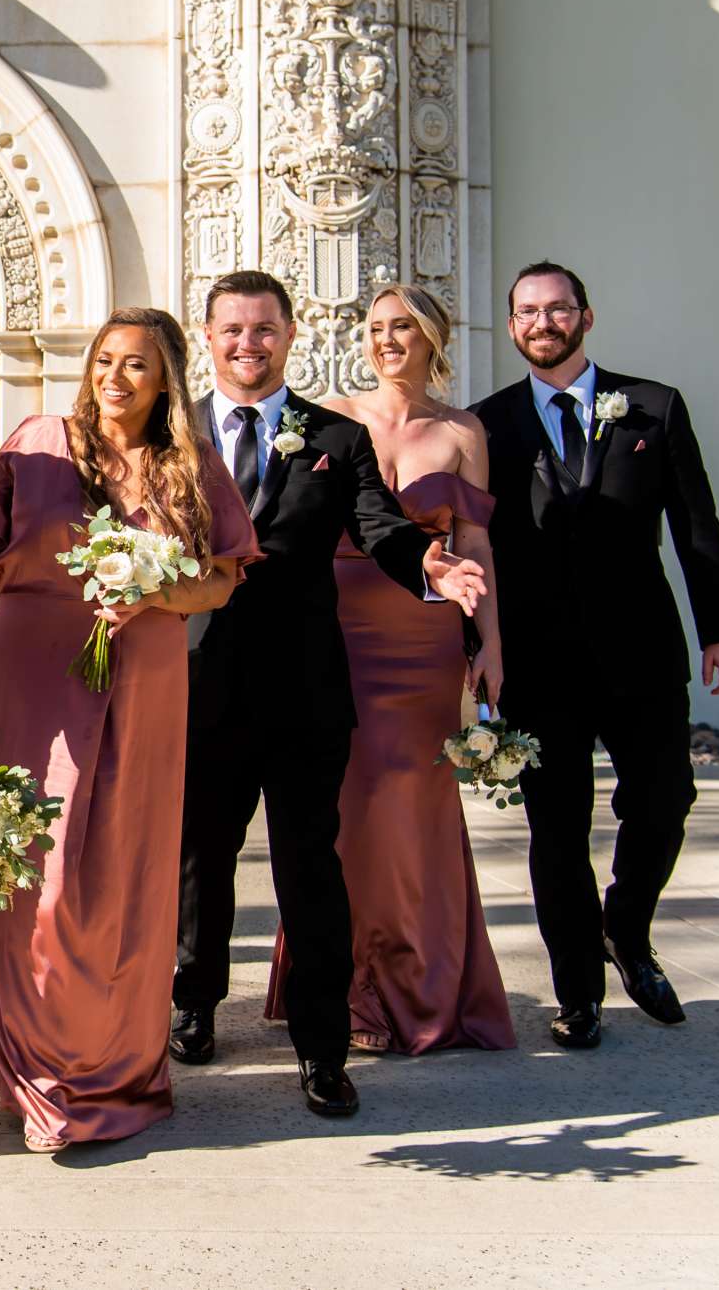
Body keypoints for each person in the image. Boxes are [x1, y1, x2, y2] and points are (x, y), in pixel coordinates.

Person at [169, 270, 487, 1119]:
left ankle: (322, 1049)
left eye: (264, 329)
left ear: (290, 335)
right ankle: (193, 1004)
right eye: (232, 330)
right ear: (208, 338)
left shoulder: (333, 437)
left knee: (311, 867)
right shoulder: (174, 431)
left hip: (307, 688)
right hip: (199, 681)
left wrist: (428, 567)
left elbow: (380, 526)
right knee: (200, 854)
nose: (249, 344)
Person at [0, 308, 257, 1153]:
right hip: (35, 669)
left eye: (137, 365)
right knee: (41, 870)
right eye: (106, 360)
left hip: (148, 673)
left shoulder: (190, 462)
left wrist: (160, 593)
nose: (116, 377)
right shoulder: (38, 439)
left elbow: (224, 578)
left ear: (166, 382)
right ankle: (40, 1077)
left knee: (125, 869)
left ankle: (115, 1065)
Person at [472, 261, 719, 1049]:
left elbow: (698, 526)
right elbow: (474, 550)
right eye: (527, 312)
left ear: (585, 318)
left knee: (665, 799)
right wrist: (476, 653)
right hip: (537, 661)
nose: (542, 323)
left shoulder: (653, 408)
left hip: (642, 651)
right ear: (514, 324)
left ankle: (625, 927)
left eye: (558, 309)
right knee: (556, 831)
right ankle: (578, 998)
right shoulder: (485, 425)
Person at [260, 284, 517, 1054]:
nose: (386, 341)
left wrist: (490, 644)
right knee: (338, 806)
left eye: (402, 327)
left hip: (422, 643)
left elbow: (474, 549)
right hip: (331, 629)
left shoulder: (463, 431)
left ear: (433, 338)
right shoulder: (333, 419)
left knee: (414, 805)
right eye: (375, 328)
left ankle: (424, 985)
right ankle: (344, 989)